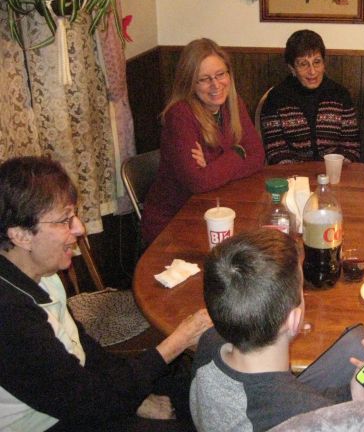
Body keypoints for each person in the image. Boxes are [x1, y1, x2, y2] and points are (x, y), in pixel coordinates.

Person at [0, 156, 212, 431]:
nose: (80, 228)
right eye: (65, 220)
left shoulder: (42, 274)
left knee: (199, 393)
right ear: (21, 236)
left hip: (80, 394)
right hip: (49, 422)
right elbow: (85, 402)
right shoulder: (10, 314)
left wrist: (132, 397)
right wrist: (177, 342)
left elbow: (85, 349)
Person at [190, 229, 364, 431]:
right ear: (294, 319)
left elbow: (281, 400)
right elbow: (300, 408)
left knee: (356, 341)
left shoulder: (209, 342)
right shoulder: (310, 418)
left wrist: (352, 397)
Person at [142, 38, 264, 244]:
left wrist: (212, 164)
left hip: (214, 209)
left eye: (220, 74)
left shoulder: (233, 103)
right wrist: (237, 152)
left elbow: (258, 156)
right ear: (190, 83)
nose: (216, 85)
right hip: (173, 222)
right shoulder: (180, 115)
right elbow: (197, 182)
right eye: (204, 79)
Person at [260, 29, 360, 165]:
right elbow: (275, 150)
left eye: (317, 62)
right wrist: (300, 174)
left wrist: (335, 168)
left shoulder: (340, 95)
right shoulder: (276, 98)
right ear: (292, 68)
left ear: (324, 64)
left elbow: (351, 147)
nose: (312, 71)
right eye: (303, 64)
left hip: (335, 171)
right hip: (292, 174)